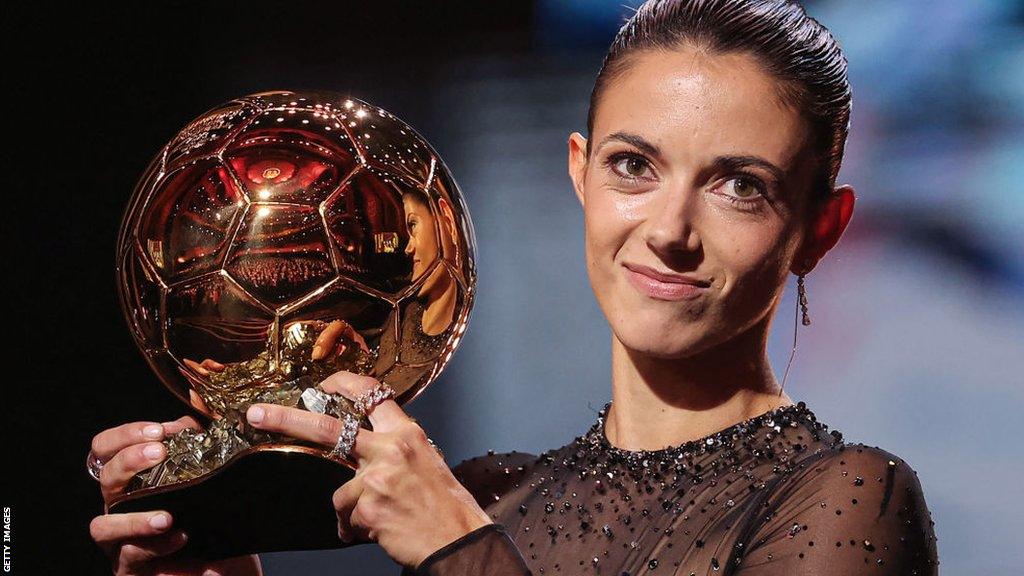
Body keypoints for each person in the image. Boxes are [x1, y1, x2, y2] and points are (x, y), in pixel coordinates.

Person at [87, 1, 940, 574]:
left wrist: (460, 552)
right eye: (633, 166)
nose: (670, 231)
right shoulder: (495, 491)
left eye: (738, 186)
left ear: (820, 230)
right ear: (580, 172)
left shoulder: (849, 498)